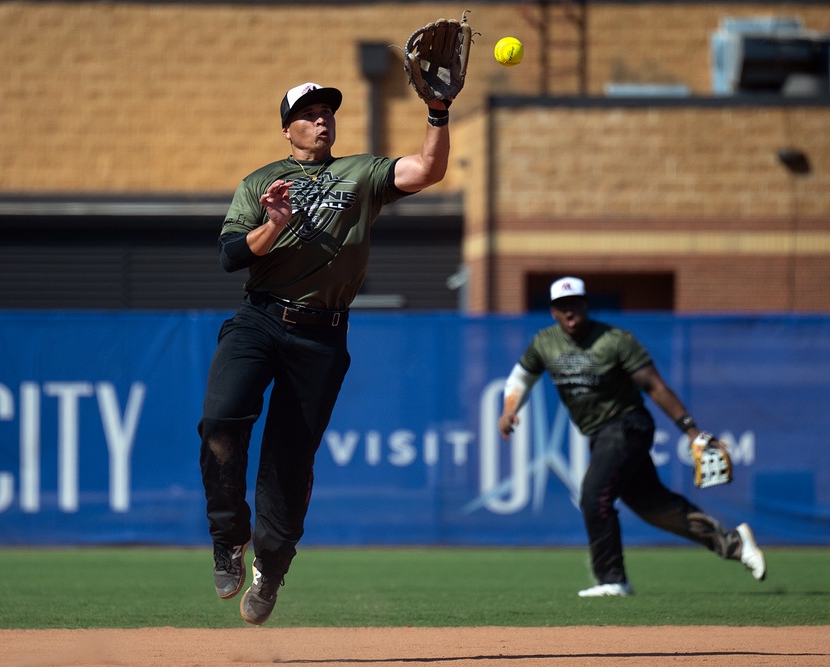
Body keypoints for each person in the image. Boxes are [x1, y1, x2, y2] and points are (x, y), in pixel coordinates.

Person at [199, 82, 453, 624]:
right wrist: (273, 224)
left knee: (290, 461)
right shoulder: (261, 183)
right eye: (308, 115)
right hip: (260, 319)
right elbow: (228, 257)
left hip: (320, 335)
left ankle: (271, 565)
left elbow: (428, 171)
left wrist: (437, 111)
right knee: (220, 420)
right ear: (286, 129)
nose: (321, 122)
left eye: (326, 114)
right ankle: (228, 538)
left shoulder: (360, 175)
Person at [497, 276, 767, 597]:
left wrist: (692, 431)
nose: (570, 312)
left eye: (575, 304)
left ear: (586, 304)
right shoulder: (545, 342)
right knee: (654, 507)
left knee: (594, 496)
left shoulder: (615, 340)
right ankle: (735, 544)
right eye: (562, 306)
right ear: (553, 311)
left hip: (628, 425)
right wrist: (509, 408)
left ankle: (612, 579)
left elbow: (654, 385)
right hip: (599, 434)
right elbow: (521, 377)